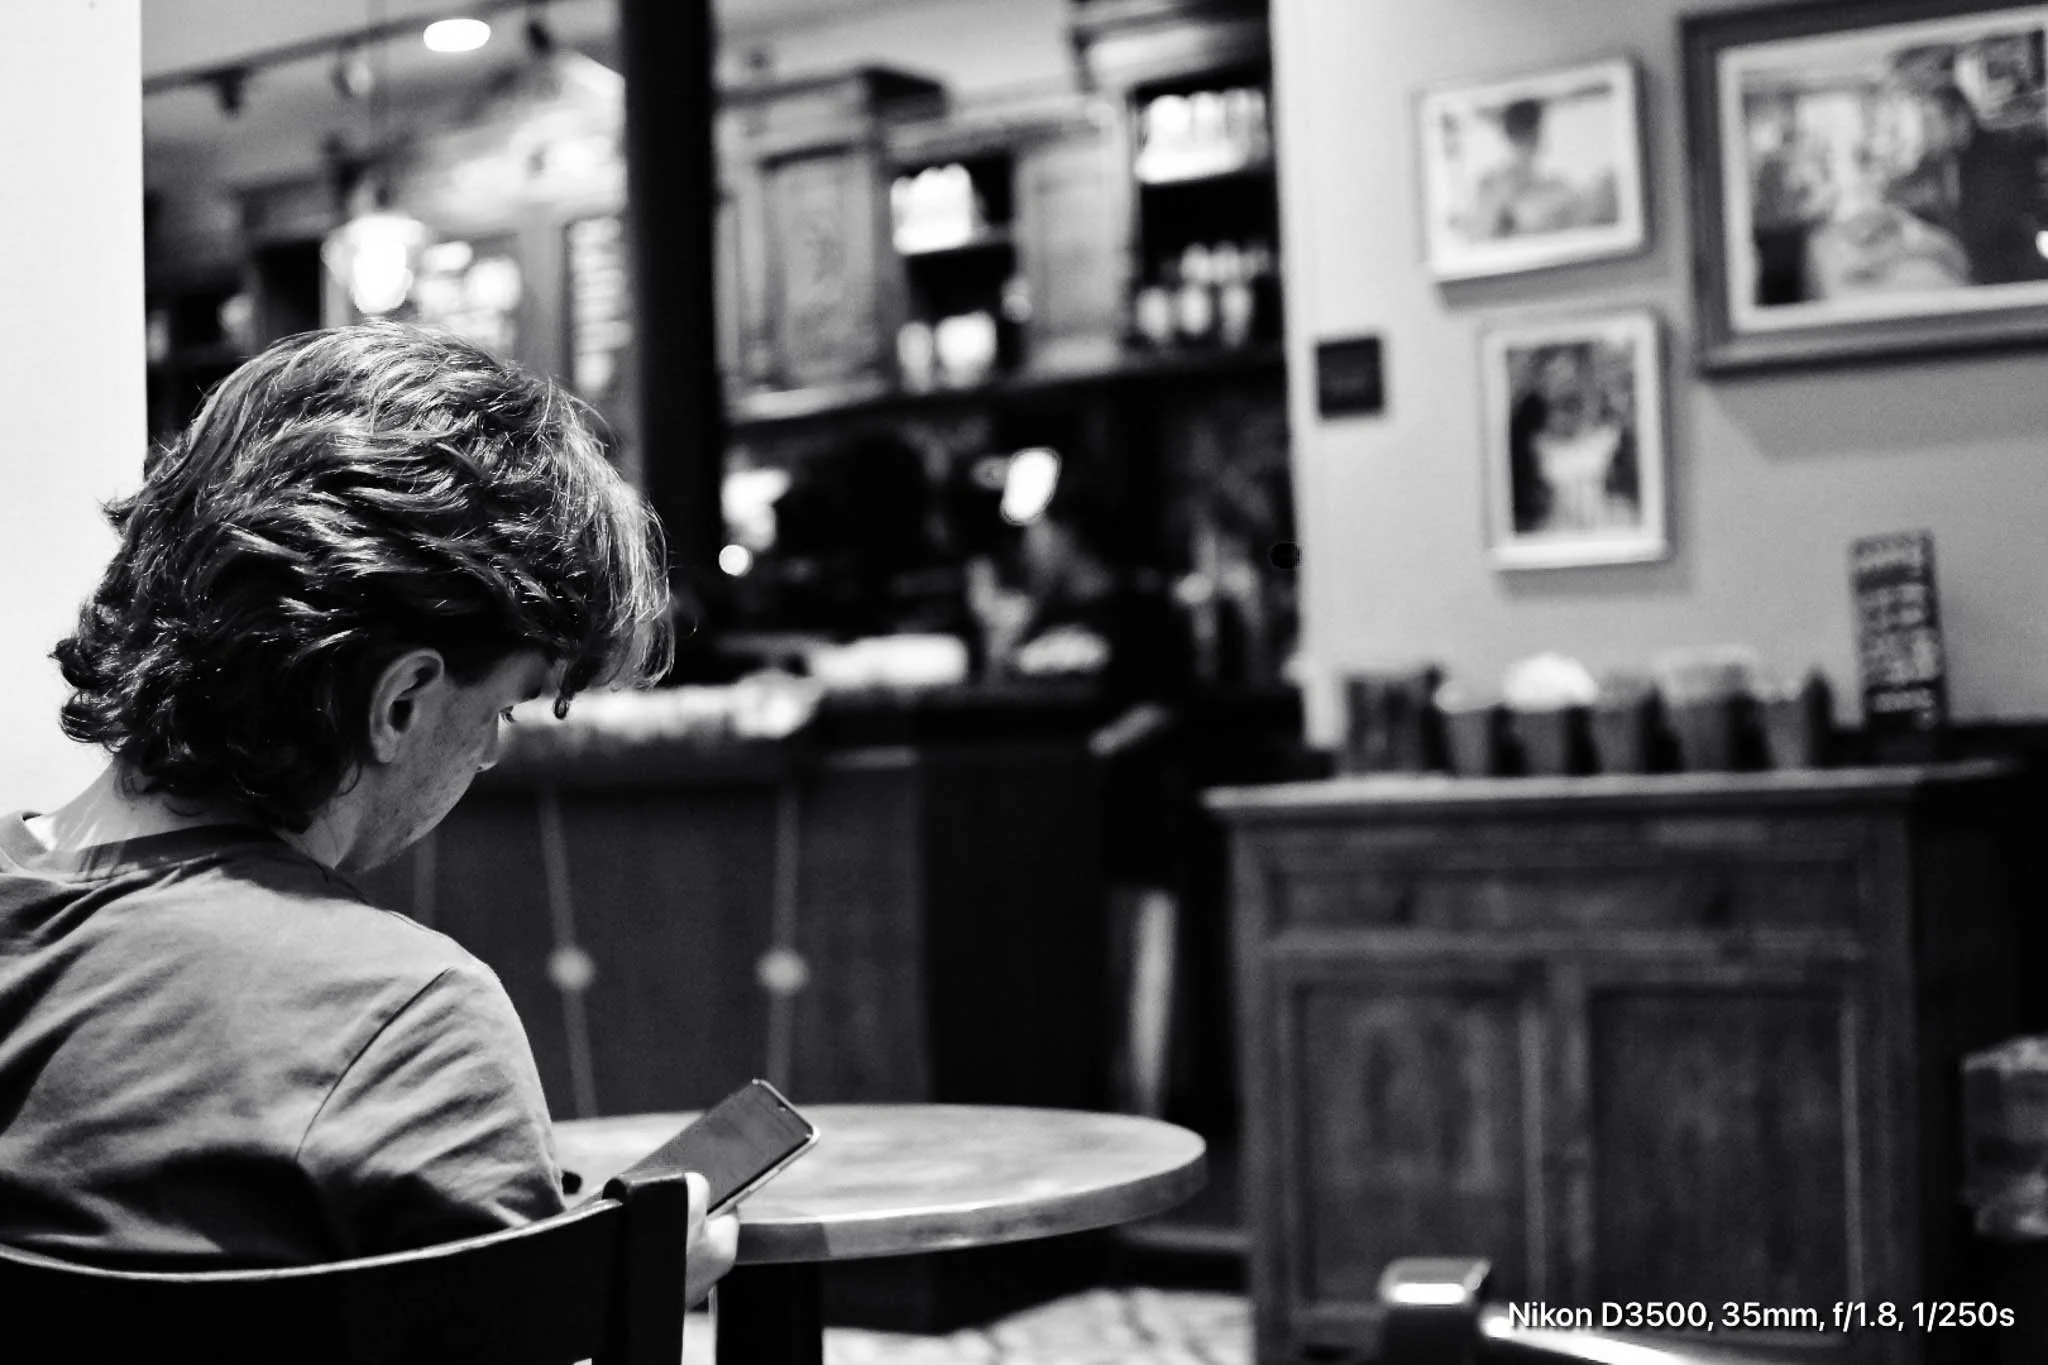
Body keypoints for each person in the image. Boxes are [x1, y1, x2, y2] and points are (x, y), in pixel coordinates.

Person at [0, 323, 739, 1301]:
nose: (487, 753)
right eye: (503, 709)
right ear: (400, 702)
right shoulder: (405, 1023)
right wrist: (628, 1287)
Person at [1886, 83, 2048, 286]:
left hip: (2012, 281)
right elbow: (1907, 187)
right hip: (1974, 277)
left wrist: (1929, 246)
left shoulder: (1998, 157)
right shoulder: (1942, 159)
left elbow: (1985, 226)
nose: (1926, 133)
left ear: (1960, 119)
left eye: (1930, 122)